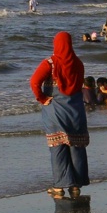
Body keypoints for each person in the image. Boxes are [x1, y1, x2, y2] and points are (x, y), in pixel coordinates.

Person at [30, 32, 91, 199]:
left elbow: (34, 82)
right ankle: (76, 186)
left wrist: (42, 98)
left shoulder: (50, 63)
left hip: (56, 110)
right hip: (76, 111)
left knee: (58, 148)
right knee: (76, 147)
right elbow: (78, 86)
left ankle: (60, 186)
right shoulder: (78, 63)